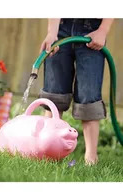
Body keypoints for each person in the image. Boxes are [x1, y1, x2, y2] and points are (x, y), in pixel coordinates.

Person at [39, 18, 114, 165]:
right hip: (61, 27)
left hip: (93, 31)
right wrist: (52, 32)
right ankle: (47, 151)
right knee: (54, 93)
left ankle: (91, 158)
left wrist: (103, 31)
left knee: (89, 96)